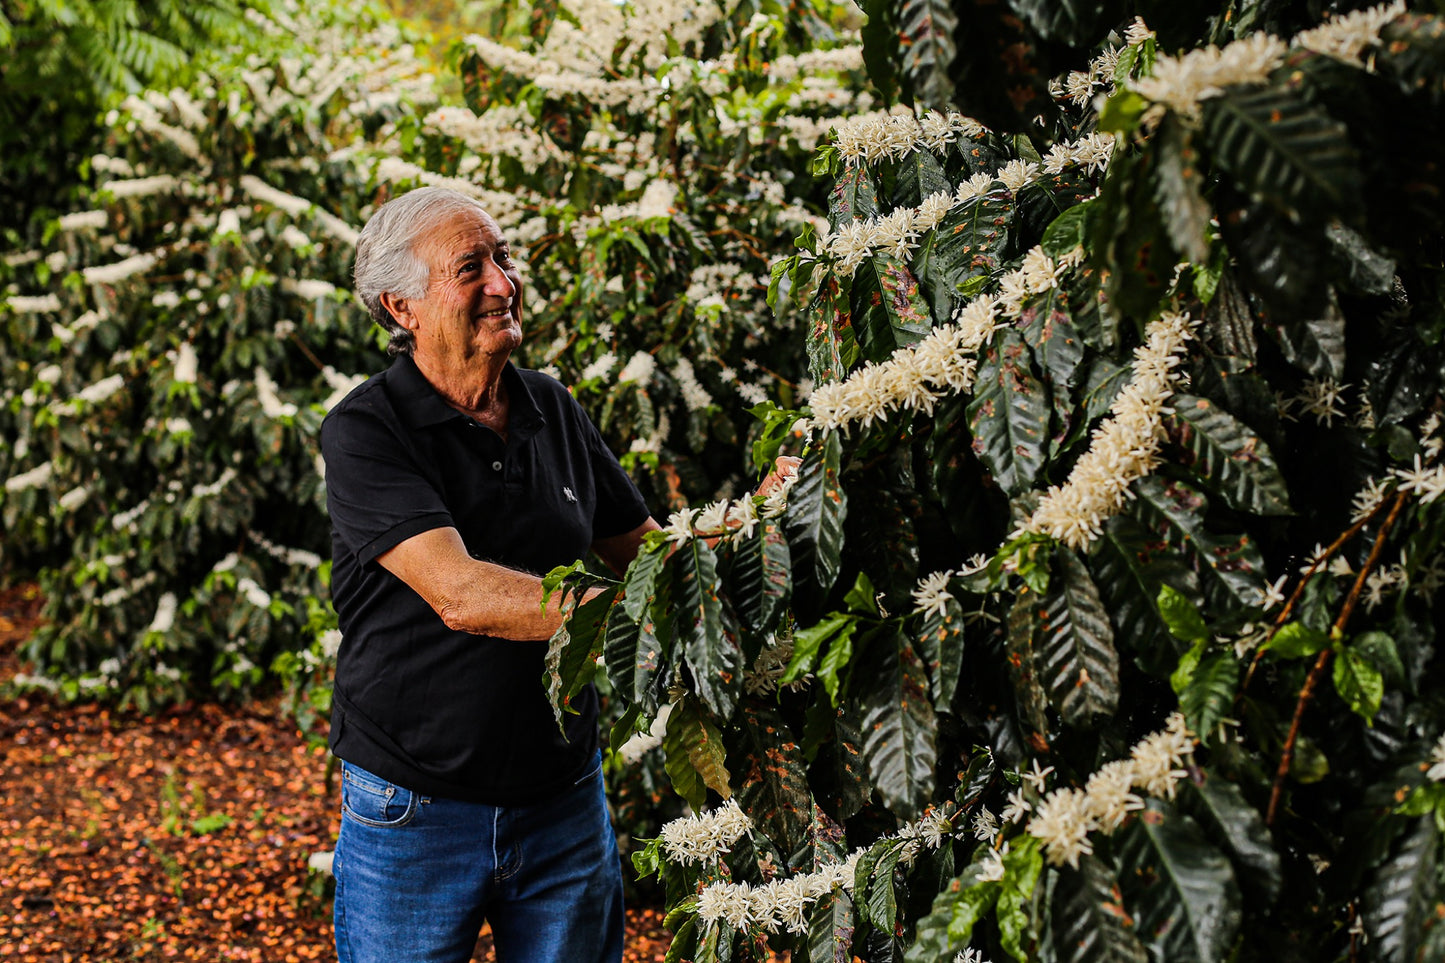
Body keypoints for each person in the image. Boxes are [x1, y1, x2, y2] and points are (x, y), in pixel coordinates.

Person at [321, 186, 794, 963]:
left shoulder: (548, 406)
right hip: (415, 807)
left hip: (561, 800)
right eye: (469, 267)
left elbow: (643, 551)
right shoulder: (368, 429)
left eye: (503, 258)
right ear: (399, 306)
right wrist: (651, 606)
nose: (504, 283)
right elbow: (463, 595)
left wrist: (758, 518)